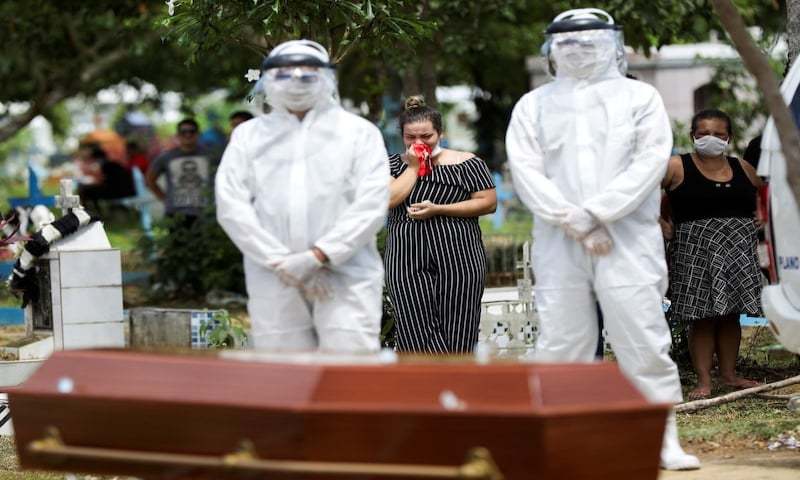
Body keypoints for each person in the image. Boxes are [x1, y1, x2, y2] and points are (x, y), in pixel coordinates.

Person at [505, 8, 700, 470]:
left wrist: (596, 214)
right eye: (568, 43)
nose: (579, 50)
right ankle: (564, 431)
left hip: (626, 239)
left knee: (642, 336)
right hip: (559, 241)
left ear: (613, 45)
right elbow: (525, 170)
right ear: (552, 49)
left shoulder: (640, 97)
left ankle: (661, 436)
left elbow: (650, 162)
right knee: (562, 340)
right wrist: (573, 222)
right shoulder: (533, 105)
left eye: (589, 41)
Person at [215, 39, 389, 353]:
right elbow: (231, 205)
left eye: (307, 74)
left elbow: (371, 204)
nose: (295, 83)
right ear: (268, 79)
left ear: (327, 77)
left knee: (350, 363)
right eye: (284, 74)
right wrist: (279, 260)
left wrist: (319, 255)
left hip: (345, 273)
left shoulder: (358, 133)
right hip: (274, 275)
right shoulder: (250, 136)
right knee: (284, 372)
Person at [662, 109, 763, 400]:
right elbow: (644, 196)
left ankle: (730, 375)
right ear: (693, 135)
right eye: (704, 133)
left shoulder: (742, 167)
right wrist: (662, 223)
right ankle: (704, 380)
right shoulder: (676, 166)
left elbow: (766, 196)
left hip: (738, 251)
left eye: (719, 134)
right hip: (694, 253)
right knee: (702, 317)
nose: (711, 139)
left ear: (729, 138)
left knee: (732, 315)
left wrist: (762, 217)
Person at [385, 96, 496, 353]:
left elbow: (488, 202)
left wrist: (440, 209)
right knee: (413, 322)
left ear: (441, 134)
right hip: (406, 255)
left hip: (459, 252)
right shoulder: (391, 165)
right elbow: (389, 199)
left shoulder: (467, 162)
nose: (418, 143)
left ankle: (457, 382)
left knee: (459, 322)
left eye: (426, 136)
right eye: (410, 137)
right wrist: (413, 167)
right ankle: (425, 384)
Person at [146, 118, 213, 222]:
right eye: (183, 132)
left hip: (206, 214)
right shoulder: (166, 157)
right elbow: (150, 180)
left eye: (192, 131)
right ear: (178, 135)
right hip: (176, 214)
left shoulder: (211, 156)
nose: (188, 135)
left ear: (198, 134)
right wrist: (165, 199)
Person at [75, 143, 136, 211]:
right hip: (128, 191)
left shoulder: (104, 166)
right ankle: (97, 212)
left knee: (84, 190)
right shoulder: (114, 164)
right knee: (89, 190)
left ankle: (90, 213)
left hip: (115, 192)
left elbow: (100, 181)